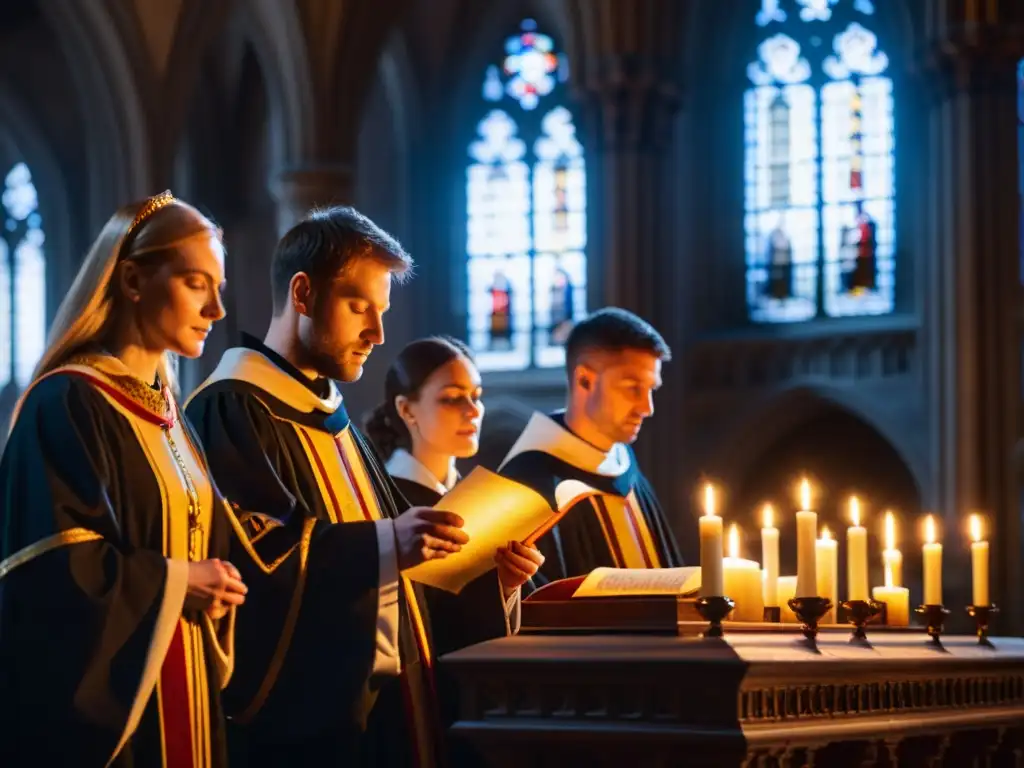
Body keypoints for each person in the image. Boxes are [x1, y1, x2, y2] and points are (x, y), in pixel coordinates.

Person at [185, 206, 467, 767]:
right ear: (303, 293)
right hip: (306, 734)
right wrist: (387, 543)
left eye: (381, 311)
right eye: (359, 306)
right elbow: (258, 560)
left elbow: (399, 579)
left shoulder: (333, 415)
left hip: (386, 713)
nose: (377, 332)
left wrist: (486, 577)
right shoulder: (232, 408)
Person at [0, 191, 246, 767]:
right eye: (195, 283)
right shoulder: (65, 403)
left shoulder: (171, 415)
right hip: (126, 728)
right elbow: (50, 578)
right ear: (132, 279)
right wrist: (179, 582)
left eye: (219, 288)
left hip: (190, 697)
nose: (217, 310)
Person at [365, 335, 544, 764]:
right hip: (401, 700)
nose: (472, 411)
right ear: (407, 409)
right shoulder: (381, 497)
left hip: (467, 702)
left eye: (476, 396)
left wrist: (508, 586)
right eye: (451, 399)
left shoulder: (473, 497)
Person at [497, 307, 683, 585]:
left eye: (651, 389)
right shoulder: (528, 481)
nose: (647, 408)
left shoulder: (622, 462)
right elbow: (534, 606)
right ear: (585, 379)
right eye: (632, 387)